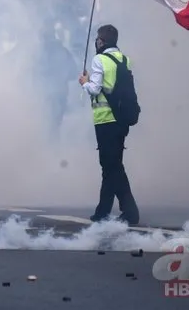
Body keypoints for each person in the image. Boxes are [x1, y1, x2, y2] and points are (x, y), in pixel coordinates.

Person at [78, 24, 140, 225]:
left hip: (106, 120)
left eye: (98, 38)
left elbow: (95, 89)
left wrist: (84, 82)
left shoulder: (100, 59)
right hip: (122, 119)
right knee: (112, 167)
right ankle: (106, 212)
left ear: (101, 41)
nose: (96, 41)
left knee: (111, 167)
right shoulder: (124, 59)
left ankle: (126, 212)